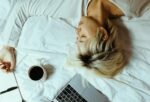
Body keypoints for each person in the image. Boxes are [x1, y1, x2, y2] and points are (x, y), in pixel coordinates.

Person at [0, 0, 149, 77]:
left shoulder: (72, 8)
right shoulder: (131, 5)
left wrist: (8, 46)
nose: (77, 31)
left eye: (77, 38)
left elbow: (24, 7)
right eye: (83, 36)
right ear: (102, 34)